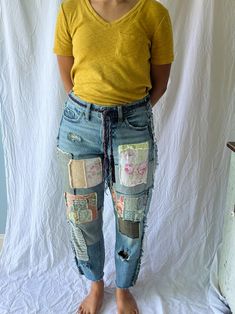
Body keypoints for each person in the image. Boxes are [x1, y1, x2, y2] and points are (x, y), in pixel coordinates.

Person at [53, 0, 174, 313]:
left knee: (131, 217)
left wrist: (126, 114)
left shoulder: (154, 14)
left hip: (131, 129)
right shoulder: (71, 10)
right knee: (82, 216)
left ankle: (123, 287)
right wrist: (91, 113)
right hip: (81, 130)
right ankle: (96, 284)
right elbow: (68, 75)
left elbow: (159, 83)